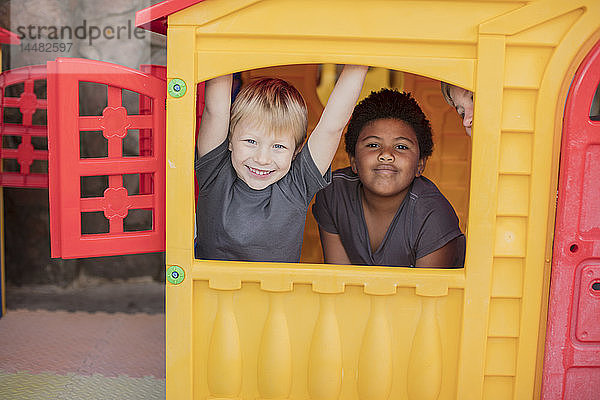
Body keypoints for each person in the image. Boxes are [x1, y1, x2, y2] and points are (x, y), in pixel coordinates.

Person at [195, 65, 368, 262]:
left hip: (274, 293)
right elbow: (215, 110)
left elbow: (332, 127)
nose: (262, 159)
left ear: (295, 152)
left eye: (278, 146)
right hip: (210, 292)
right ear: (230, 140)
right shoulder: (216, 173)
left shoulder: (296, 186)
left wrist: (359, 62)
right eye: (251, 142)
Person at [312, 88, 465, 268]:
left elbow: (427, 295)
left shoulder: (433, 215)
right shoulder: (334, 194)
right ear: (353, 160)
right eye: (373, 144)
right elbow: (338, 281)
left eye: (401, 147)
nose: (386, 154)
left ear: (420, 165)